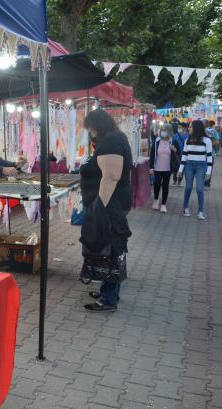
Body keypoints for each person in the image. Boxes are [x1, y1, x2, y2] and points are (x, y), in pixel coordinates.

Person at [78, 109, 133, 313]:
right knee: (110, 248)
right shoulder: (113, 139)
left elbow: (111, 176)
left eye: (89, 128)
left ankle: (108, 298)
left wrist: (98, 209)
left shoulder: (110, 143)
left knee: (110, 249)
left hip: (110, 205)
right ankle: (108, 290)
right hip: (111, 203)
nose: (89, 132)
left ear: (96, 126)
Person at [178, 120, 213, 220]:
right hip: (189, 165)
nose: (189, 128)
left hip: (201, 166)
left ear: (196, 128)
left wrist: (209, 171)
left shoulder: (207, 141)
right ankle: (185, 208)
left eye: (190, 127)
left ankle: (200, 211)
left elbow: (209, 157)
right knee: (188, 187)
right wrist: (180, 170)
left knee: (199, 188)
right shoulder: (187, 140)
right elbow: (184, 156)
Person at [149, 124, 179, 213]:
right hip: (157, 168)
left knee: (165, 186)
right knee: (157, 184)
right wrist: (151, 167)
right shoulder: (156, 141)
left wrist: (174, 150)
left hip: (168, 168)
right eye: (161, 130)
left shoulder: (173, 141)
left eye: (165, 130)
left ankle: (163, 204)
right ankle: (156, 199)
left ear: (169, 131)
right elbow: (152, 155)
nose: (163, 132)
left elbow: (179, 152)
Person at [172, 123, 190, 187]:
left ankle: (179, 181)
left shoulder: (188, 136)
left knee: (181, 168)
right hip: (176, 154)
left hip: (185, 155)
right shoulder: (175, 136)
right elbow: (172, 144)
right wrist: (173, 148)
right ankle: (174, 180)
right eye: (178, 127)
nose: (178, 129)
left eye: (180, 127)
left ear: (185, 128)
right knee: (175, 167)